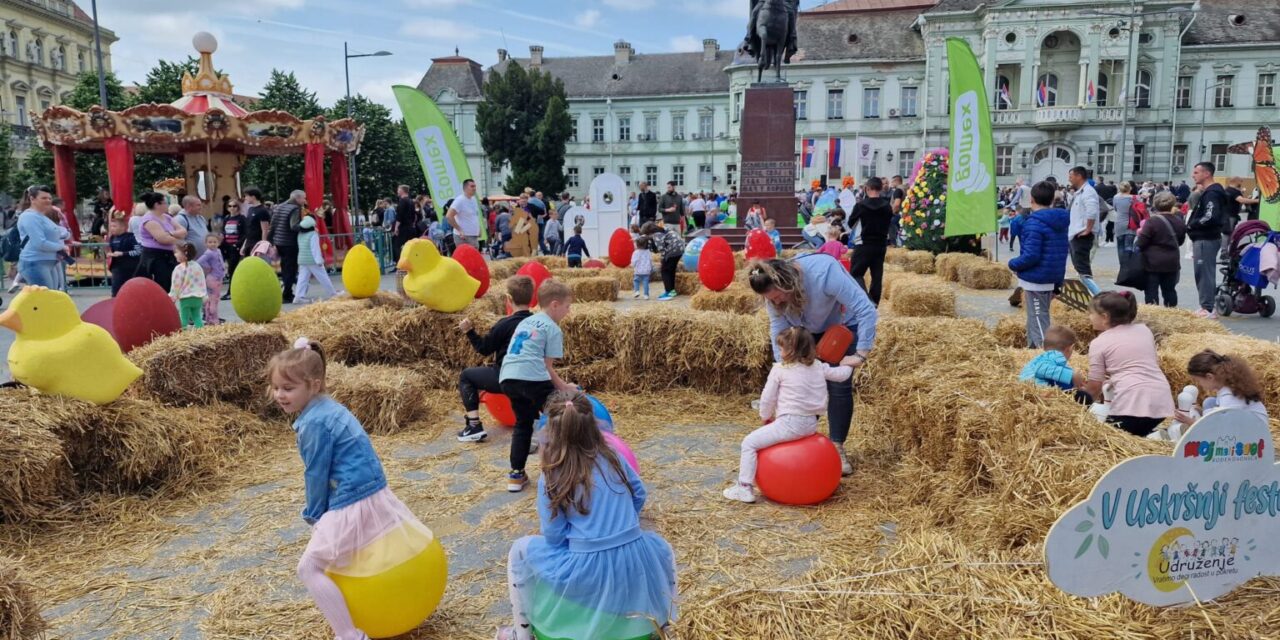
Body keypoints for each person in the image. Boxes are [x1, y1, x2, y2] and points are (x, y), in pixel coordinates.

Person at [267, 338, 430, 640]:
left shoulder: (314, 423)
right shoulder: (328, 407)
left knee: (308, 568)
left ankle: (350, 635)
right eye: (275, 387)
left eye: (288, 388)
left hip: (351, 497)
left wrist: (315, 515)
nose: (279, 395)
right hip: (369, 489)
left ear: (314, 385)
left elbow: (316, 473)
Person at [498, 391, 676, 640]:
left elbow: (553, 536)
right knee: (663, 549)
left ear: (551, 433)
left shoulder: (551, 474)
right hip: (634, 557)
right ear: (593, 426)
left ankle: (522, 633)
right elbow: (639, 494)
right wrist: (622, 524)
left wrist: (582, 539)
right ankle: (666, 625)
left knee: (518, 551)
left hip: (583, 568)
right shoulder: (614, 457)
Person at [747, 256, 877, 475]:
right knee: (800, 382)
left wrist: (861, 353)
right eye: (771, 300)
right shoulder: (771, 291)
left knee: (838, 385)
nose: (776, 303)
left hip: (842, 325)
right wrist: (783, 366)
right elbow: (778, 326)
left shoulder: (825, 273)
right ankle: (799, 439)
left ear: (788, 283)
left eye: (778, 297)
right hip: (806, 329)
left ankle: (837, 447)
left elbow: (866, 309)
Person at [723, 327, 853, 503]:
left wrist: (765, 415)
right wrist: (848, 363)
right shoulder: (818, 366)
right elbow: (841, 375)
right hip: (810, 424)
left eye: (781, 348)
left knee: (749, 443)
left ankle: (744, 487)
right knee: (757, 441)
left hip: (789, 424)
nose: (780, 352)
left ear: (791, 351)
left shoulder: (780, 369)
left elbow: (768, 398)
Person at [499, 280, 577, 492]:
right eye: (567, 306)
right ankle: (563, 470)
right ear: (554, 305)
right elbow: (547, 368)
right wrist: (564, 387)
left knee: (523, 424)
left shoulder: (526, 322)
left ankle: (516, 475)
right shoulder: (553, 328)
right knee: (561, 419)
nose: (568, 311)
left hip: (508, 378)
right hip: (532, 377)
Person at [1081, 291, 1174, 437]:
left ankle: (1156, 437)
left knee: (1107, 439)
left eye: (1091, 313)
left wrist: (1078, 407)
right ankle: (1158, 436)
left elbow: (1095, 386)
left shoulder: (1099, 343)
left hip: (1133, 403)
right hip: (1161, 398)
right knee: (1137, 434)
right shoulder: (1144, 330)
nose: (1089, 317)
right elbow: (1136, 364)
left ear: (1104, 317)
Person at [457, 276, 536, 443]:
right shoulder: (538, 323)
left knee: (466, 376)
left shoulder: (504, 324)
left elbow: (483, 349)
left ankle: (474, 426)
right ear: (531, 298)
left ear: (508, 299)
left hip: (506, 378)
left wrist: (469, 331)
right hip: (532, 379)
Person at [1007, 181, 1070, 348]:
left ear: (1032, 199)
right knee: (1035, 317)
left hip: (1037, 279)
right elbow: (1061, 253)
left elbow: (1031, 256)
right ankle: (1032, 348)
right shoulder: (1060, 221)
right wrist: (1057, 284)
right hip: (1051, 276)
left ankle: (1047, 353)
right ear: (1051, 199)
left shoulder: (1034, 223)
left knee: (1038, 318)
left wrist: (1013, 264)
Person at [1173, 350, 1268, 427]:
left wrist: (1190, 422)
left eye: (1198, 380)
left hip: (1253, 436)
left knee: (1210, 404)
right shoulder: (1229, 388)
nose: (1199, 384)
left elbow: (1221, 426)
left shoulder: (1230, 397)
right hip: (1246, 424)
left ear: (1209, 377)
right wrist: (1202, 413)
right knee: (1210, 402)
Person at [1188, 162, 1228, 318]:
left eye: (1196, 172)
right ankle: (1207, 306)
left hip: (1206, 238)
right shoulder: (1210, 192)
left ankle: (1208, 308)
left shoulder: (1212, 193)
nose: (1193, 175)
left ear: (1207, 174)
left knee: (1204, 273)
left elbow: (1210, 216)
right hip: (1206, 237)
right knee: (1203, 272)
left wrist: (1193, 224)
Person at [846, 176, 894, 305]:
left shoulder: (860, 205)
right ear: (881, 188)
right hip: (881, 244)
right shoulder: (887, 206)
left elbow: (850, 223)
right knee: (877, 276)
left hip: (864, 243)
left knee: (855, 274)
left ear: (867, 189)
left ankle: (867, 300)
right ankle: (875, 303)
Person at [1136, 192, 1186, 307]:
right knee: (1170, 290)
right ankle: (1171, 311)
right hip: (1172, 261)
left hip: (1152, 262)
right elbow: (1180, 242)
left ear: (1155, 204)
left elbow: (1141, 242)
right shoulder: (1179, 221)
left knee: (1151, 291)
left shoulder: (1152, 221)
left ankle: (1154, 313)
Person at [1018, 325, 1090, 403]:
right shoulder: (1055, 355)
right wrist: (1071, 375)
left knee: (1076, 391)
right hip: (1037, 390)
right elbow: (1040, 368)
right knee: (1084, 397)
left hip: (1028, 392)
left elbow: (1055, 373)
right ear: (1070, 348)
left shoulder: (1046, 357)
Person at [14, 185, 68, 289]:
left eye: (49, 198)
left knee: (50, 295)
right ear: (32, 199)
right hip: (35, 263)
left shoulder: (42, 217)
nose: (48, 201)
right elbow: (39, 243)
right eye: (43, 198)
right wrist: (61, 247)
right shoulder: (29, 217)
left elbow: (59, 233)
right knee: (45, 297)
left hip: (47, 262)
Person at [137, 191, 186, 293]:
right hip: (155, 257)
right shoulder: (149, 220)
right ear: (157, 204)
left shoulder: (167, 217)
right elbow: (163, 239)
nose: (167, 205)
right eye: (165, 202)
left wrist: (170, 233)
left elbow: (183, 231)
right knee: (162, 285)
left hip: (169, 255)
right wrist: (177, 239)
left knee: (173, 283)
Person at [1066, 166, 1100, 294]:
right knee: (1080, 268)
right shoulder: (1081, 192)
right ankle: (1093, 295)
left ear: (1079, 176)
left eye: (1071, 176)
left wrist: (1088, 229)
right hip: (1077, 233)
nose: (1069, 179)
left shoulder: (1088, 192)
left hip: (1082, 234)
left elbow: (1092, 211)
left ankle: (1099, 295)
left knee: (1083, 269)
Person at [271, 190, 306, 304]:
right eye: (303, 198)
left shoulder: (279, 207)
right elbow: (294, 226)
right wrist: (307, 228)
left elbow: (273, 225)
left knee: (284, 268)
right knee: (291, 269)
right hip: (290, 243)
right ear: (297, 198)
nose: (304, 201)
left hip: (279, 242)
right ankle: (287, 294)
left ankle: (286, 291)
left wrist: (271, 240)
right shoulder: (295, 208)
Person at [294, 214, 337, 304]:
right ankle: (333, 293)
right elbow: (315, 249)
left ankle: (298, 296)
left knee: (302, 279)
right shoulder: (313, 234)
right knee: (323, 277)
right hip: (313, 260)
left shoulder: (300, 234)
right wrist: (319, 260)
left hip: (302, 259)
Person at [641, 221, 684, 301]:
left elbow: (661, 249)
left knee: (664, 270)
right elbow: (655, 249)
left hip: (673, 249)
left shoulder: (657, 235)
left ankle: (668, 292)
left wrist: (663, 259)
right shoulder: (662, 230)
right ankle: (672, 291)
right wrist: (650, 241)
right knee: (671, 270)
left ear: (649, 232)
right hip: (680, 248)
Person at [169, 242, 206, 330]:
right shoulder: (197, 266)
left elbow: (176, 285)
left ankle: (183, 334)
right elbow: (202, 281)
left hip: (185, 298)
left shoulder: (179, 268)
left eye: (176, 252)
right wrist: (204, 295)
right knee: (197, 317)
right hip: (198, 297)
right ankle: (201, 332)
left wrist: (172, 297)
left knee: (183, 318)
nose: (174, 254)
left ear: (184, 254)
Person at [106, 211, 140, 297]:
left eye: (114, 226)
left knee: (131, 290)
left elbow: (138, 251)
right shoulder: (112, 238)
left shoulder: (131, 237)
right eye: (111, 226)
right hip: (117, 268)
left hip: (131, 268)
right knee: (116, 290)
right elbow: (111, 250)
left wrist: (123, 254)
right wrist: (109, 254)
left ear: (123, 227)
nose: (112, 229)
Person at [196, 234, 225, 325]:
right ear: (206, 243)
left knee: (215, 299)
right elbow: (199, 261)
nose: (212, 244)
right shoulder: (209, 253)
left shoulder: (218, 251)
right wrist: (208, 267)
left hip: (219, 277)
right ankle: (212, 319)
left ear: (218, 243)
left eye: (215, 242)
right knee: (212, 300)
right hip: (212, 278)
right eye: (210, 242)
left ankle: (212, 318)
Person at [220, 198, 245, 299]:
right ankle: (231, 291)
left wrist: (237, 244)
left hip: (236, 247)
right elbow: (223, 232)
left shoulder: (242, 218)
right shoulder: (226, 218)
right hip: (227, 246)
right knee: (229, 269)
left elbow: (244, 234)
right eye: (230, 206)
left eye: (234, 206)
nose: (232, 208)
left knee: (232, 269)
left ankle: (231, 291)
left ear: (238, 207)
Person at [447, 179, 482, 250]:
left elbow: (474, 216)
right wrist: (459, 230)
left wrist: (479, 228)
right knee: (467, 256)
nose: (474, 188)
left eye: (475, 186)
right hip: (464, 237)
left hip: (473, 236)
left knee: (474, 255)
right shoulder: (460, 200)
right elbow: (449, 216)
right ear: (465, 188)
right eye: (472, 186)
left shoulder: (474, 199)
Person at [239, 188, 271, 260]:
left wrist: (262, 247)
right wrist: (244, 245)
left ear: (253, 197)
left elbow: (265, 230)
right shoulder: (250, 209)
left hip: (257, 243)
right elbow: (249, 229)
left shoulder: (262, 210)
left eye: (246, 196)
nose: (245, 198)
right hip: (249, 242)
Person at [392, 185, 417, 260]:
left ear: (402, 191)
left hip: (403, 228)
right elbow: (414, 215)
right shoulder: (411, 201)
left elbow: (399, 216)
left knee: (396, 245)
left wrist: (396, 227)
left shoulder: (402, 201)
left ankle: (400, 263)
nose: (397, 191)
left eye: (398, 190)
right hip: (410, 227)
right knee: (409, 246)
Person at [1112, 181, 1135, 259]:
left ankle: (1122, 264)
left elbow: (1115, 209)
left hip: (1119, 223)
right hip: (1131, 224)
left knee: (1120, 246)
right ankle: (1128, 263)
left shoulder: (1116, 197)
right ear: (1130, 188)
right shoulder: (1134, 198)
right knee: (1129, 246)